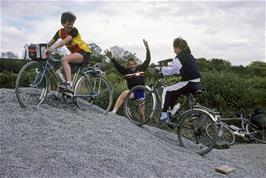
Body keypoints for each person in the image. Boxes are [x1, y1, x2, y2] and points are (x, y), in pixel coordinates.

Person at [158, 37, 201, 125]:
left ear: (178, 48)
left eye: (174, 48)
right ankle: (174, 109)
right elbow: (179, 69)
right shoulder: (189, 55)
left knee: (166, 90)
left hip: (189, 82)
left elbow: (172, 70)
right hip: (196, 82)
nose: (174, 50)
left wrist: (161, 70)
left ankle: (164, 115)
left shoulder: (179, 57)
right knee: (173, 90)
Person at [46, 11, 91, 92]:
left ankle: (69, 85)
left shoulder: (74, 31)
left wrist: (53, 48)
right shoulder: (60, 32)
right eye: (68, 24)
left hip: (84, 52)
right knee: (59, 72)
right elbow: (51, 42)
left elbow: (65, 41)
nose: (70, 26)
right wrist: (45, 47)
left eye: (72, 24)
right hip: (75, 54)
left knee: (64, 59)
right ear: (62, 23)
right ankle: (66, 90)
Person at [105, 39, 151, 116]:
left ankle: (140, 123)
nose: (132, 66)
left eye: (133, 64)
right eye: (130, 64)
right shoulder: (126, 71)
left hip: (141, 93)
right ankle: (114, 111)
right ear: (128, 65)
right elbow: (118, 66)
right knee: (123, 94)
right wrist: (112, 58)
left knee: (141, 115)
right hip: (132, 92)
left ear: (136, 64)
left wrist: (147, 49)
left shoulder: (141, 68)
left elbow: (148, 60)